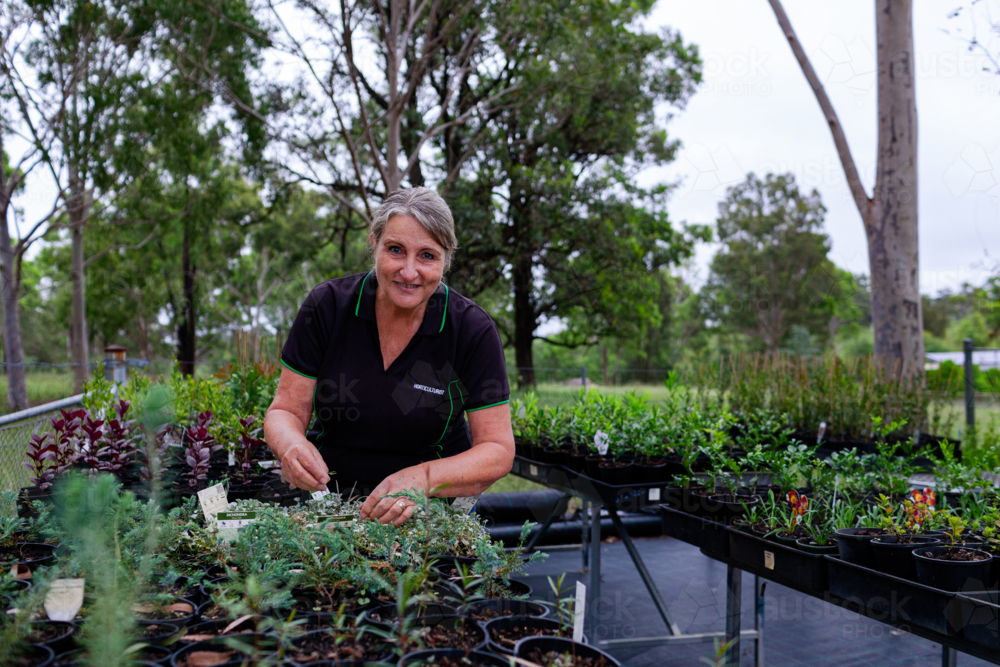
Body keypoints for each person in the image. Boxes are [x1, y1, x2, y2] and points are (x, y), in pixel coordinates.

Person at [263, 188, 514, 527]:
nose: (409, 272)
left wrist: (421, 479)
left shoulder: (470, 329)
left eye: (427, 255)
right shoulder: (327, 307)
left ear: (447, 257)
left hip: (432, 510)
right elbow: (285, 410)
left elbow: (497, 450)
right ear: (374, 244)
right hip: (330, 504)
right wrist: (290, 446)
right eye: (396, 250)